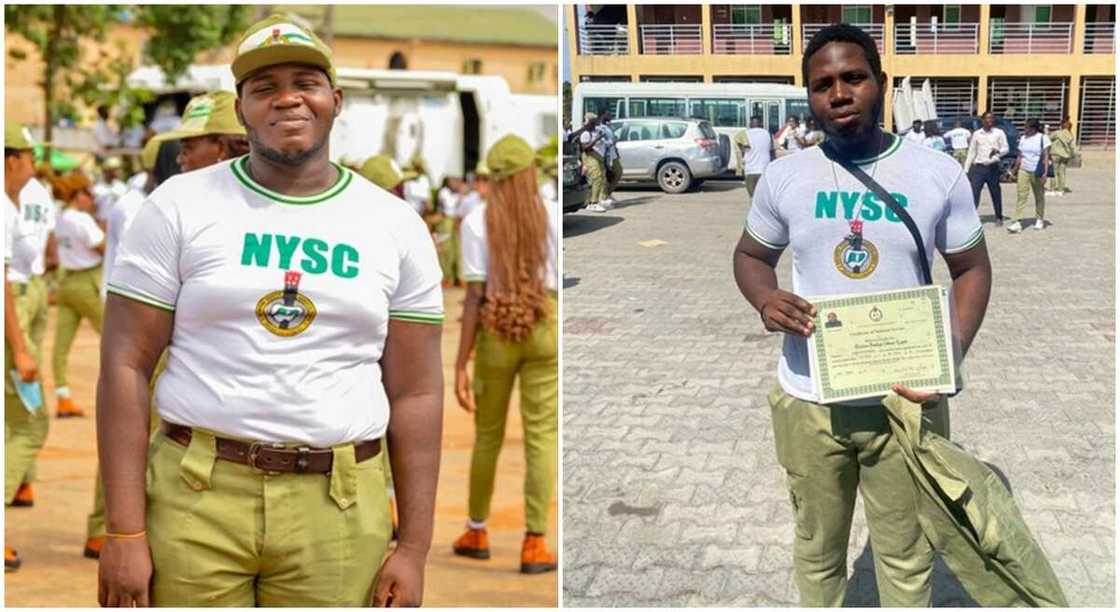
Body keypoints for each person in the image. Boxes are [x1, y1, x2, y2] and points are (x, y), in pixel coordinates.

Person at [96, 15, 443, 606]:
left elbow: (416, 393)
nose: (287, 98)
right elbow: (125, 363)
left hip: (337, 508)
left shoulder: (395, 225)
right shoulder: (178, 206)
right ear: (241, 108)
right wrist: (125, 530)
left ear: (334, 100)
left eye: (304, 81)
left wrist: (413, 548)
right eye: (264, 87)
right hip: (195, 498)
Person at [733, 24, 994, 606]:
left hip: (904, 401)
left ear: (881, 82)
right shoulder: (785, 176)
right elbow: (751, 255)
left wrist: (946, 359)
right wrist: (765, 297)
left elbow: (972, 269)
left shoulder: (935, 173)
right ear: (809, 97)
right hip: (809, 401)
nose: (840, 93)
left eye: (853, 77)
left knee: (905, 554)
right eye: (823, 84)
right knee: (818, 551)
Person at [452, 134, 558, 575]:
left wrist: (461, 361)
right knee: (542, 437)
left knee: (488, 436)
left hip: (497, 326)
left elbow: (474, 295)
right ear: (529, 172)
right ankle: (535, 542)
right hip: (543, 322)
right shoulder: (550, 215)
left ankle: (477, 531)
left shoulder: (476, 221)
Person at [5, 122, 44, 572]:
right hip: (9, 318)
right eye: (31, 158)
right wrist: (19, 348)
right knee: (32, 423)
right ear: (12, 159)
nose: (34, 168)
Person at [49, 172, 105, 422]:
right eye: (88, 193)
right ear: (77, 195)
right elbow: (103, 247)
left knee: (61, 346)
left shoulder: (60, 218)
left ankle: (63, 396)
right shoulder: (82, 220)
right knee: (117, 341)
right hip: (88, 281)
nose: (91, 199)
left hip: (66, 282)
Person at [964, 111, 1010, 225]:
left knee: (995, 192)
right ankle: (971, 217)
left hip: (992, 167)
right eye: (988, 119)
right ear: (982, 120)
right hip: (978, 168)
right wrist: (966, 169)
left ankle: (998, 217)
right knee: (974, 193)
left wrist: (998, 152)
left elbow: (1006, 148)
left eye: (992, 119)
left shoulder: (999, 133)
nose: (990, 121)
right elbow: (971, 152)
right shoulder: (977, 134)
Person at [1006, 118, 1050, 233]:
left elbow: (1046, 156)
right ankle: (1017, 221)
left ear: (1033, 129)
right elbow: (1020, 156)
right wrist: (1013, 171)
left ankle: (1039, 218)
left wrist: (1045, 173)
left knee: (1038, 195)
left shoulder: (1042, 138)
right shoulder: (1023, 138)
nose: (1024, 129)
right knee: (1021, 195)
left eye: (1027, 127)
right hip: (1023, 169)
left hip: (1037, 170)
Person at [733, 116, 775, 198]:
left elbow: (740, 151)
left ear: (750, 124)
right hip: (764, 170)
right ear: (761, 124)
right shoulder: (768, 134)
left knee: (753, 198)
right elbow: (772, 152)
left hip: (750, 171)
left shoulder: (742, 134)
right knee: (763, 198)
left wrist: (740, 168)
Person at [579, 112, 608, 212]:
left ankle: (593, 201)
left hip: (598, 156)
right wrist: (596, 139)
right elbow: (585, 148)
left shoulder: (595, 131)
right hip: (590, 156)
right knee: (597, 177)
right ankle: (593, 203)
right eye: (594, 120)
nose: (597, 121)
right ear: (590, 121)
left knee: (600, 178)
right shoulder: (585, 133)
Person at [1047, 117, 1076, 195]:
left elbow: (1048, 138)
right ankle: (1061, 189)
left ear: (1062, 125)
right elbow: (1072, 146)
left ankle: (1052, 189)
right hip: (1065, 155)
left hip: (1056, 154)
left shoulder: (1057, 133)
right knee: (1062, 172)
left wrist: (1047, 132)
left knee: (1054, 172)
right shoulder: (1070, 135)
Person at [597, 115, 621, 207]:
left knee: (618, 172)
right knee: (605, 175)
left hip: (613, 154)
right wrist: (611, 142)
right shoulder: (600, 128)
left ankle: (608, 194)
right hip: (605, 155)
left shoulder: (609, 127)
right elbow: (601, 141)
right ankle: (603, 198)